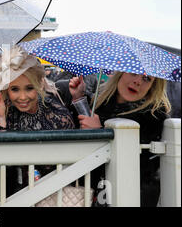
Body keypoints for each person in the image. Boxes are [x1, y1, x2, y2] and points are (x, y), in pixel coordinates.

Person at [62, 72, 171, 207]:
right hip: (87, 193)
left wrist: (100, 133)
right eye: (133, 73)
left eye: (147, 79)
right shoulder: (101, 101)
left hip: (128, 197)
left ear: (153, 86)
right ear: (120, 73)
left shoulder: (153, 118)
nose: (138, 81)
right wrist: (79, 99)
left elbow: (139, 167)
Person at [0, 46, 75, 205]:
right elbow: (1, 163)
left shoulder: (58, 114)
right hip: (12, 197)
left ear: (39, 85)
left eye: (29, 88)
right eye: (14, 89)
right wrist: (0, 118)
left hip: (53, 197)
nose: (22, 97)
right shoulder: (4, 110)